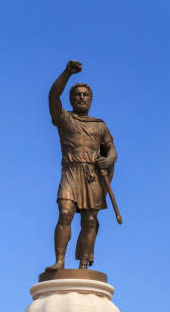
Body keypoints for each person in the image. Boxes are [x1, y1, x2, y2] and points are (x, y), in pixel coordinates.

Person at [46, 60, 118, 271]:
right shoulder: (64, 119)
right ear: (71, 99)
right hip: (71, 170)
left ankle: (83, 265)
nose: (82, 98)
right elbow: (52, 96)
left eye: (86, 95)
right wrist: (67, 73)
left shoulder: (99, 125)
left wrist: (109, 160)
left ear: (91, 99)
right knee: (65, 212)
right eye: (77, 95)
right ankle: (59, 261)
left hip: (92, 175)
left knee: (89, 220)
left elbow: (111, 150)